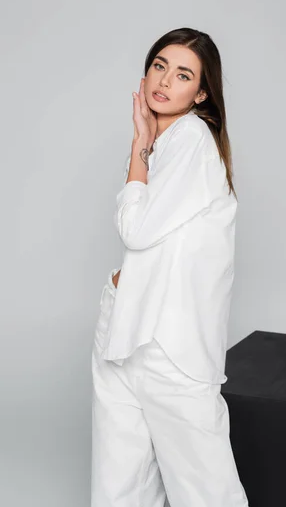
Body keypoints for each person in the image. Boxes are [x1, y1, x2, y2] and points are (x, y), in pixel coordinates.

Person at [91, 27, 249, 506]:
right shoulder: (161, 144)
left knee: (206, 491)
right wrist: (143, 144)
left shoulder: (192, 141)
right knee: (120, 486)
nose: (164, 80)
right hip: (124, 329)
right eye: (159, 65)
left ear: (200, 93)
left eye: (183, 75)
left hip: (168, 345)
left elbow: (133, 230)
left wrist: (140, 142)